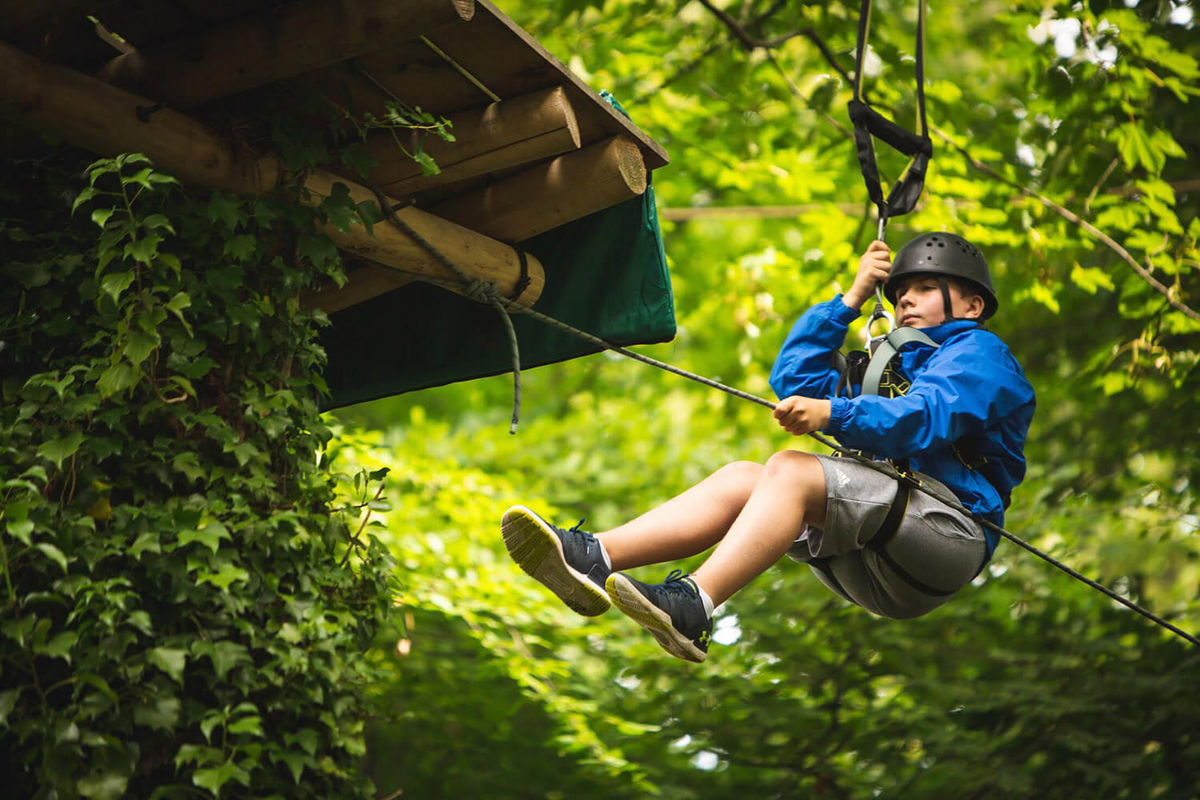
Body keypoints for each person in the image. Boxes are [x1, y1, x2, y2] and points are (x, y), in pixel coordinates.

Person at [501, 232, 1036, 663]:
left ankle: (695, 607)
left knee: (792, 470)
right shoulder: (891, 365)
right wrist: (847, 303)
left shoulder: (981, 355)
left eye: (923, 288)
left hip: (944, 535)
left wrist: (833, 413)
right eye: (900, 292)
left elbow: (925, 418)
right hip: (876, 546)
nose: (904, 300)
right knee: (743, 477)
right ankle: (598, 557)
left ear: (971, 302)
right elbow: (796, 379)